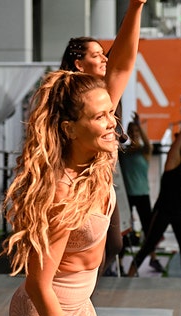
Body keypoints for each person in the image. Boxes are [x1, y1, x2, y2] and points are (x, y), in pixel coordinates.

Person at [3, 70, 124, 316]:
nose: (112, 122)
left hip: (81, 306)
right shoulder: (60, 192)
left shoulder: (100, 161)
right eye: (100, 116)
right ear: (69, 130)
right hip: (47, 310)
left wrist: (131, 27)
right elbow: (38, 286)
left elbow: (121, 69)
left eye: (110, 112)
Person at [59, 0, 146, 275]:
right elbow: (120, 64)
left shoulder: (105, 92)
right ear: (78, 63)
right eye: (96, 55)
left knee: (113, 245)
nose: (104, 58)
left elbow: (122, 60)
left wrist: (136, 7)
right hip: (73, 183)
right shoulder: (68, 100)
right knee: (66, 254)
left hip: (101, 181)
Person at [127, 89, 181, 278]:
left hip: (179, 212)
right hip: (163, 210)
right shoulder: (173, 160)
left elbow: (180, 190)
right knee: (148, 245)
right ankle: (129, 276)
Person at [118, 112, 164, 273]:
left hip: (142, 194)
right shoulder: (122, 154)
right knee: (124, 230)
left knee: (148, 228)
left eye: (136, 132)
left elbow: (148, 144)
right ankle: (121, 263)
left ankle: (153, 258)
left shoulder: (144, 152)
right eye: (132, 131)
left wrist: (139, 126)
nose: (134, 134)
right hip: (127, 196)